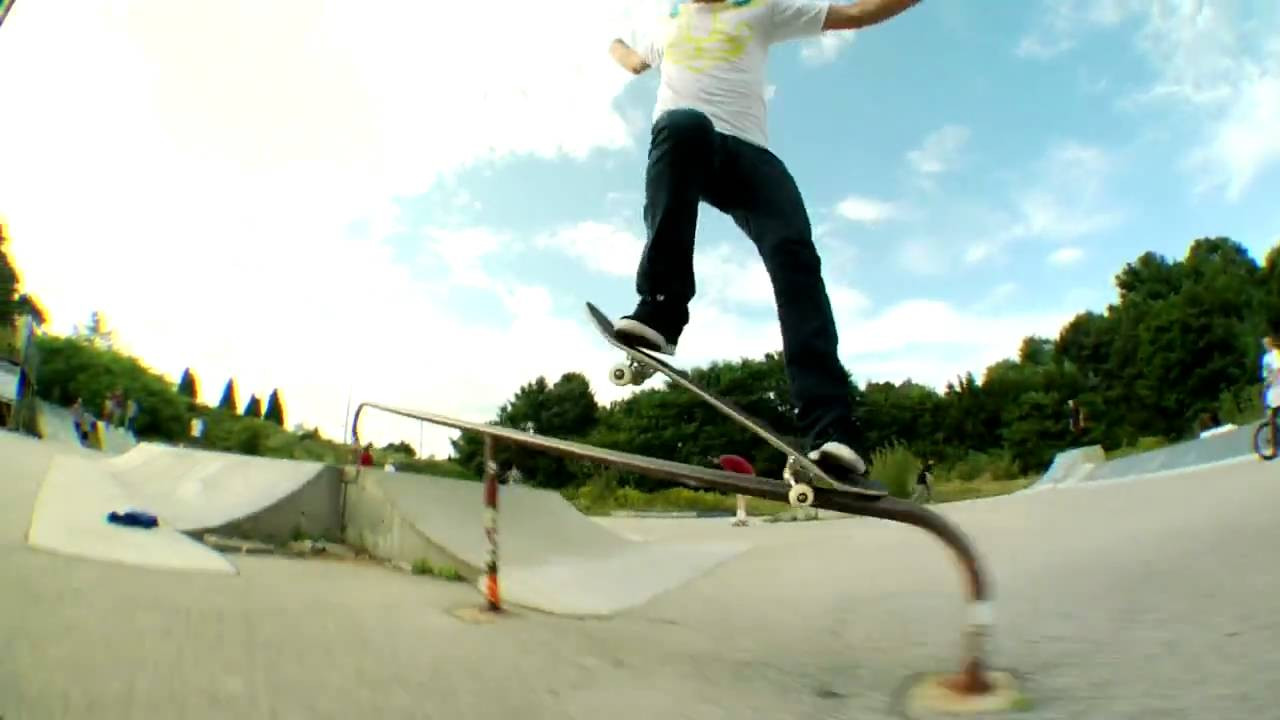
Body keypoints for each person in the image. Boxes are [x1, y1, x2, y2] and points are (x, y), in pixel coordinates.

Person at [608, 0, 922, 489]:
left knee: (795, 255)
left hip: (752, 158)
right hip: (694, 146)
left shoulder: (763, 8)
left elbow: (856, 14)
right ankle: (661, 310)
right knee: (679, 125)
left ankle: (832, 429)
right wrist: (611, 42)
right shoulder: (664, 23)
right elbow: (632, 60)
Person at [1262, 335, 1280, 424]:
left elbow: (1278, 369)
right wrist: (1266, 383)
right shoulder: (1265, 358)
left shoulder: (1276, 353)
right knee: (1271, 414)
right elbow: (1265, 373)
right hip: (1272, 388)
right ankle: (1273, 437)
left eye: (1267, 343)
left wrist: (1270, 380)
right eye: (1264, 344)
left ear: (1271, 343)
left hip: (1278, 385)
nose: (1266, 345)